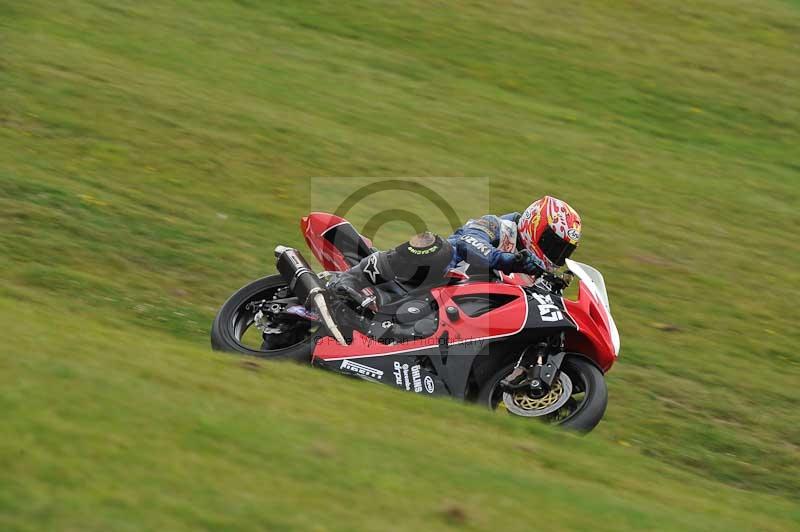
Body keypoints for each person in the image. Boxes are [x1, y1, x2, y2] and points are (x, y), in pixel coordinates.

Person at [328, 196, 582, 306]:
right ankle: (349, 279)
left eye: (563, 251)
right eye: (553, 244)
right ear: (534, 225)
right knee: (438, 245)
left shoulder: (534, 274)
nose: (555, 255)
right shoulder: (498, 226)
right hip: (423, 282)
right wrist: (509, 261)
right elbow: (468, 242)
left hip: (450, 315)